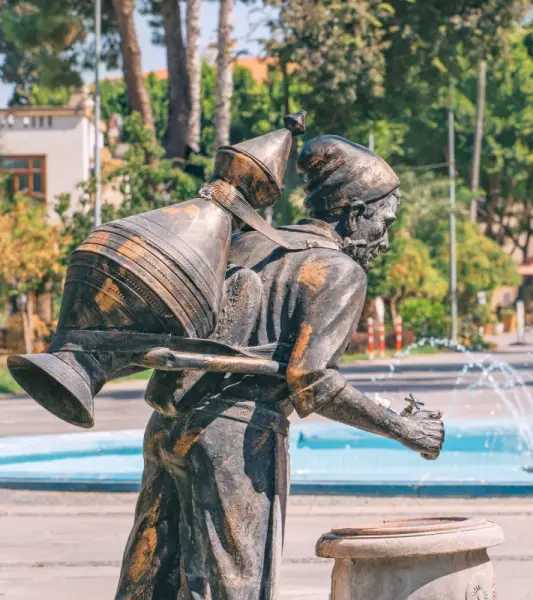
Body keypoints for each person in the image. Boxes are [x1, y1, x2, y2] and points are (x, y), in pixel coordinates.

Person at [114, 135, 444, 600]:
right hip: (236, 438)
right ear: (354, 214)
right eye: (383, 223)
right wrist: (407, 431)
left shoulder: (248, 244)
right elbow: (312, 382)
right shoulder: (336, 270)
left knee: (150, 582)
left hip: (167, 426)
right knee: (235, 588)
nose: (384, 241)